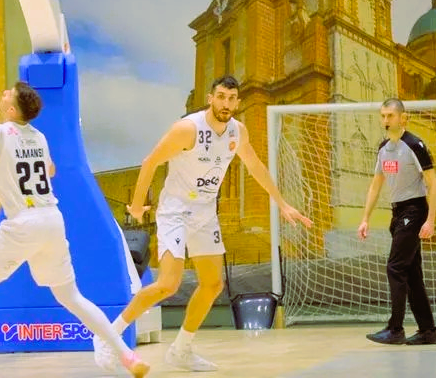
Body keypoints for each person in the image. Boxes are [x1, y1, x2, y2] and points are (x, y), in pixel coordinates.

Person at [94, 75, 313, 372]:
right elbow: (150, 162)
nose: (226, 103)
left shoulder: (238, 132)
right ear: (210, 98)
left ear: (238, 102)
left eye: (231, 98)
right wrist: (135, 205)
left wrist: (282, 203)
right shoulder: (188, 129)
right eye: (221, 97)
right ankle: (107, 336)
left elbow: (255, 166)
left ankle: (181, 350)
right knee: (168, 284)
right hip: (175, 210)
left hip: (205, 212)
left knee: (212, 284)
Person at [0, 82, 149, 378]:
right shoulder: (40, 137)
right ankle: (125, 354)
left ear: (11, 110)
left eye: (7, 93)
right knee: (71, 296)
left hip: (23, 223)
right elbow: (50, 170)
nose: (2, 93)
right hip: (52, 220)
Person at [358, 98, 436, 345]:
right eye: (383, 116)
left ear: (403, 118)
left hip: (414, 211)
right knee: (411, 272)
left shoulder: (414, 145)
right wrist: (365, 218)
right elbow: (375, 185)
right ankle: (428, 331)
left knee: (395, 267)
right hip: (397, 213)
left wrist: (430, 220)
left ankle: (395, 329)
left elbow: (433, 184)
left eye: (390, 116)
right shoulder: (383, 148)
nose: (385, 120)